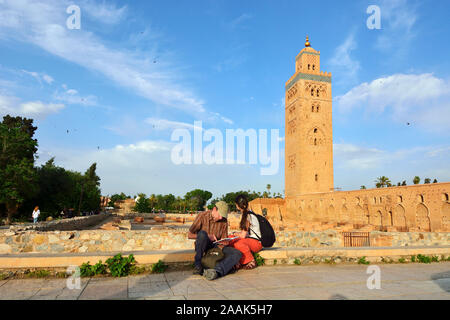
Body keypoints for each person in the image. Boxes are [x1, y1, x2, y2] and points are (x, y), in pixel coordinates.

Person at [188, 201, 242, 280]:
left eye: (223, 216)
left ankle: (216, 271)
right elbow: (189, 235)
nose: (221, 218)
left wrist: (225, 242)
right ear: (214, 209)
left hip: (217, 246)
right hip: (203, 245)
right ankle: (198, 265)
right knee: (202, 234)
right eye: (220, 215)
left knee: (237, 253)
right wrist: (207, 236)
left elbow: (223, 239)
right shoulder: (202, 216)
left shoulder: (224, 221)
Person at [229, 194, 262, 270]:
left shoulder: (248, 215)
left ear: (237, 205)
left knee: (238, 243)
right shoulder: (247, 213)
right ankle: (237, 261)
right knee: (230, 240)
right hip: (252, 240)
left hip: (257, 243)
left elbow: (243, 235)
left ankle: (251, 261)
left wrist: (234, 233)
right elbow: (245, 233)